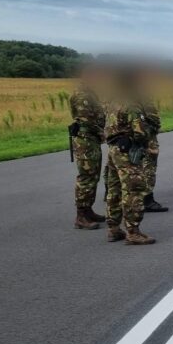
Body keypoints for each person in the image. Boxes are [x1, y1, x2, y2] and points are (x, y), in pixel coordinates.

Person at [103, 68, 155, 245]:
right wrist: (147, 134)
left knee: (114, 190)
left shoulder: (113, 101)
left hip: (113, 150)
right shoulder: (131, 103)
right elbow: (140, 131)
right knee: (133, 189)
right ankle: (133, 232)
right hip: (127, 152)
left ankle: (113, 228)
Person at [69, 65, 107, 230]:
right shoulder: (82, 95)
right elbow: (86, 121)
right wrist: (102, 133)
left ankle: (88, 210)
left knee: (93, 176)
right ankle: (81, 215)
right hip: (86, 141)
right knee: (86, 177)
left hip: (91, 140)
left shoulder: (90, 93)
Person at [139, 89, 167, 212]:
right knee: (149, 166)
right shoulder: (143, 95)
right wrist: (156, 127)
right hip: (146, 135)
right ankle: (147, 200)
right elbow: (153, 117)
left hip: (136, 136)